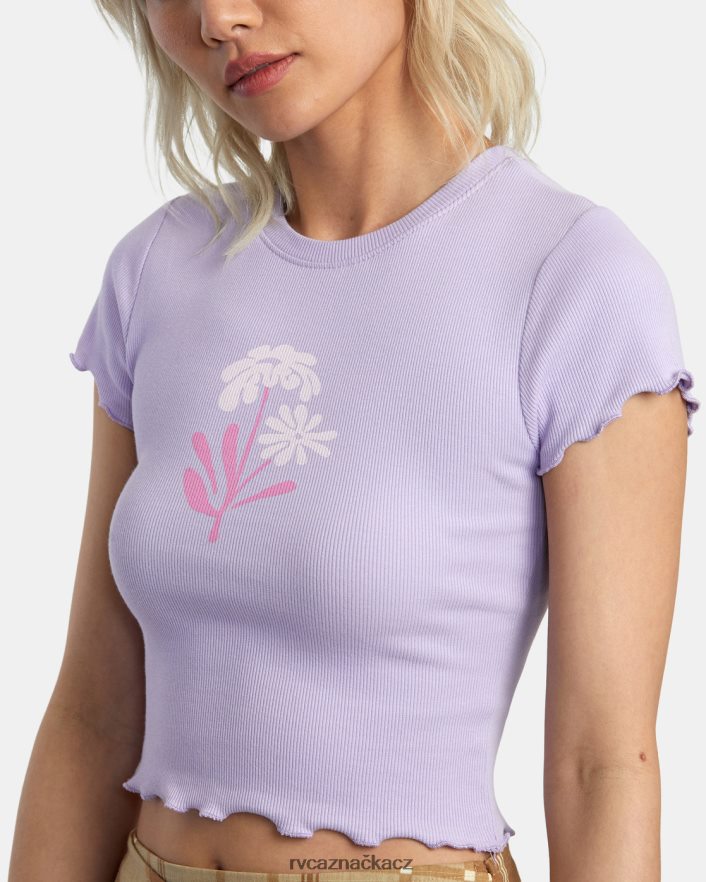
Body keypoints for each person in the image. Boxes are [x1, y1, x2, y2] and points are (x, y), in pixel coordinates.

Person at [9, 1, 700, 881]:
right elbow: (93, 717)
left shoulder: (568, 278)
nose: (218, 18)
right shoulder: (158, 272)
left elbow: (602, 767)